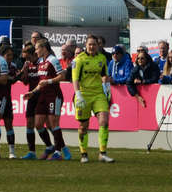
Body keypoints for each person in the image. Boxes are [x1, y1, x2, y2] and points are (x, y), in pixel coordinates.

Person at [23, 39, 70, 160]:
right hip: (42, 96)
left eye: (37, 48)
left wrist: (49, 81)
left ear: (44, 48)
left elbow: (62, 76)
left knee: (54, 123)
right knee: (38, 124)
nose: (36, 51)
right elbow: (41, 81)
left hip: (53, 95)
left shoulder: (52, 60)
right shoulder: (40, 62)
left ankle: (58, 153)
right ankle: (52, 147)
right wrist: (32, 92)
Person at [73, 35, 115, 163]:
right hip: (83, 94)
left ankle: (102, 153)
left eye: (94, 45)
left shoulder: (102, 58)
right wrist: (78, 94)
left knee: (104, 120)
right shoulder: (79, 59)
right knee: (83, 127)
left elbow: (104, 75)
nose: (92, 47)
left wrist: (107, 87)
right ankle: (84, 154)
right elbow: (75, 78)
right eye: (89, 44)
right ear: (86, 45)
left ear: (98, 46)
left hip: (98, 94)